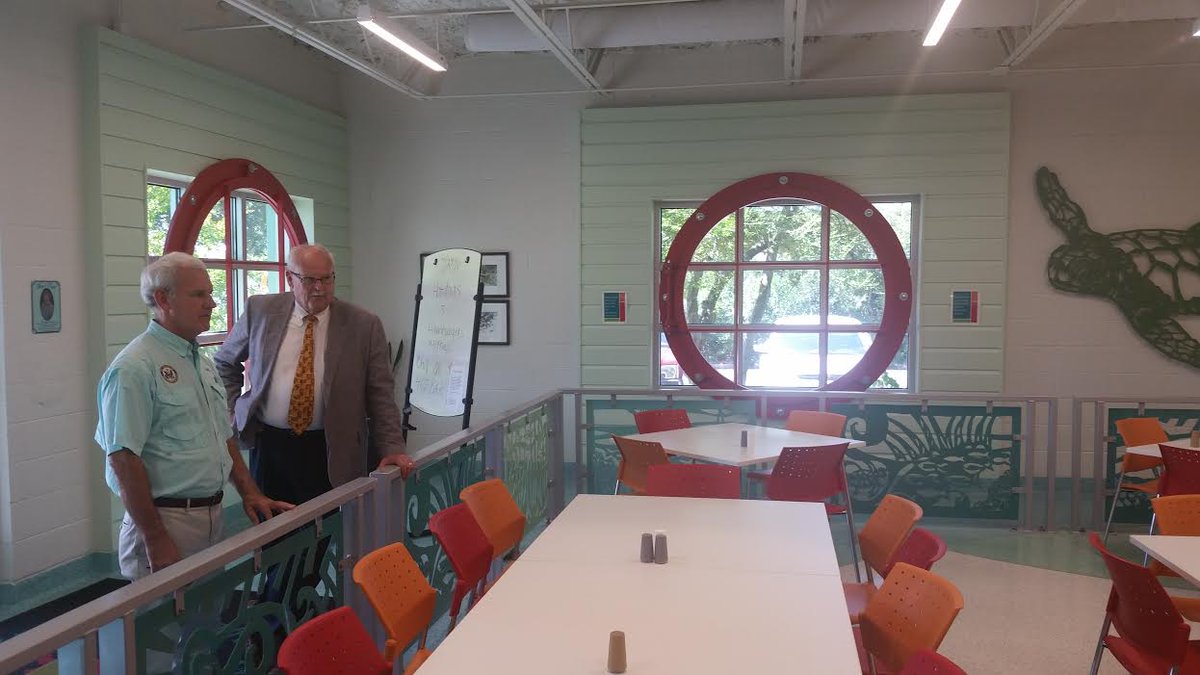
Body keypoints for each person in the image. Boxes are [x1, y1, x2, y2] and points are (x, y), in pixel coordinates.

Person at [95, 253, 293, 580]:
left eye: (210, 293)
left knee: (207, 610)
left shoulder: (201, 362)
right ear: (163, 299)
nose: (211, 303)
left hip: (211, 517)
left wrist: (250, 492)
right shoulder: (134, 368)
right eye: (199, 295)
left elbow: (222, 437)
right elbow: (123, 459)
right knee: (165, 614)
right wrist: (155, 538)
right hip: (165, 522)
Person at [214, 244, 413, 506]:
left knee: (331, 523)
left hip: (333, 449)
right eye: (309, 280)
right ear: (290, 279)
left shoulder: (363, 324)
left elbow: (381, 395)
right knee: (271, 523)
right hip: (271, 445)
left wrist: (393, 448)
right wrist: (229, 410)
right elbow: (225, 363)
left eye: (327, 279)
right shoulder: (260, 310)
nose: (320, 288)